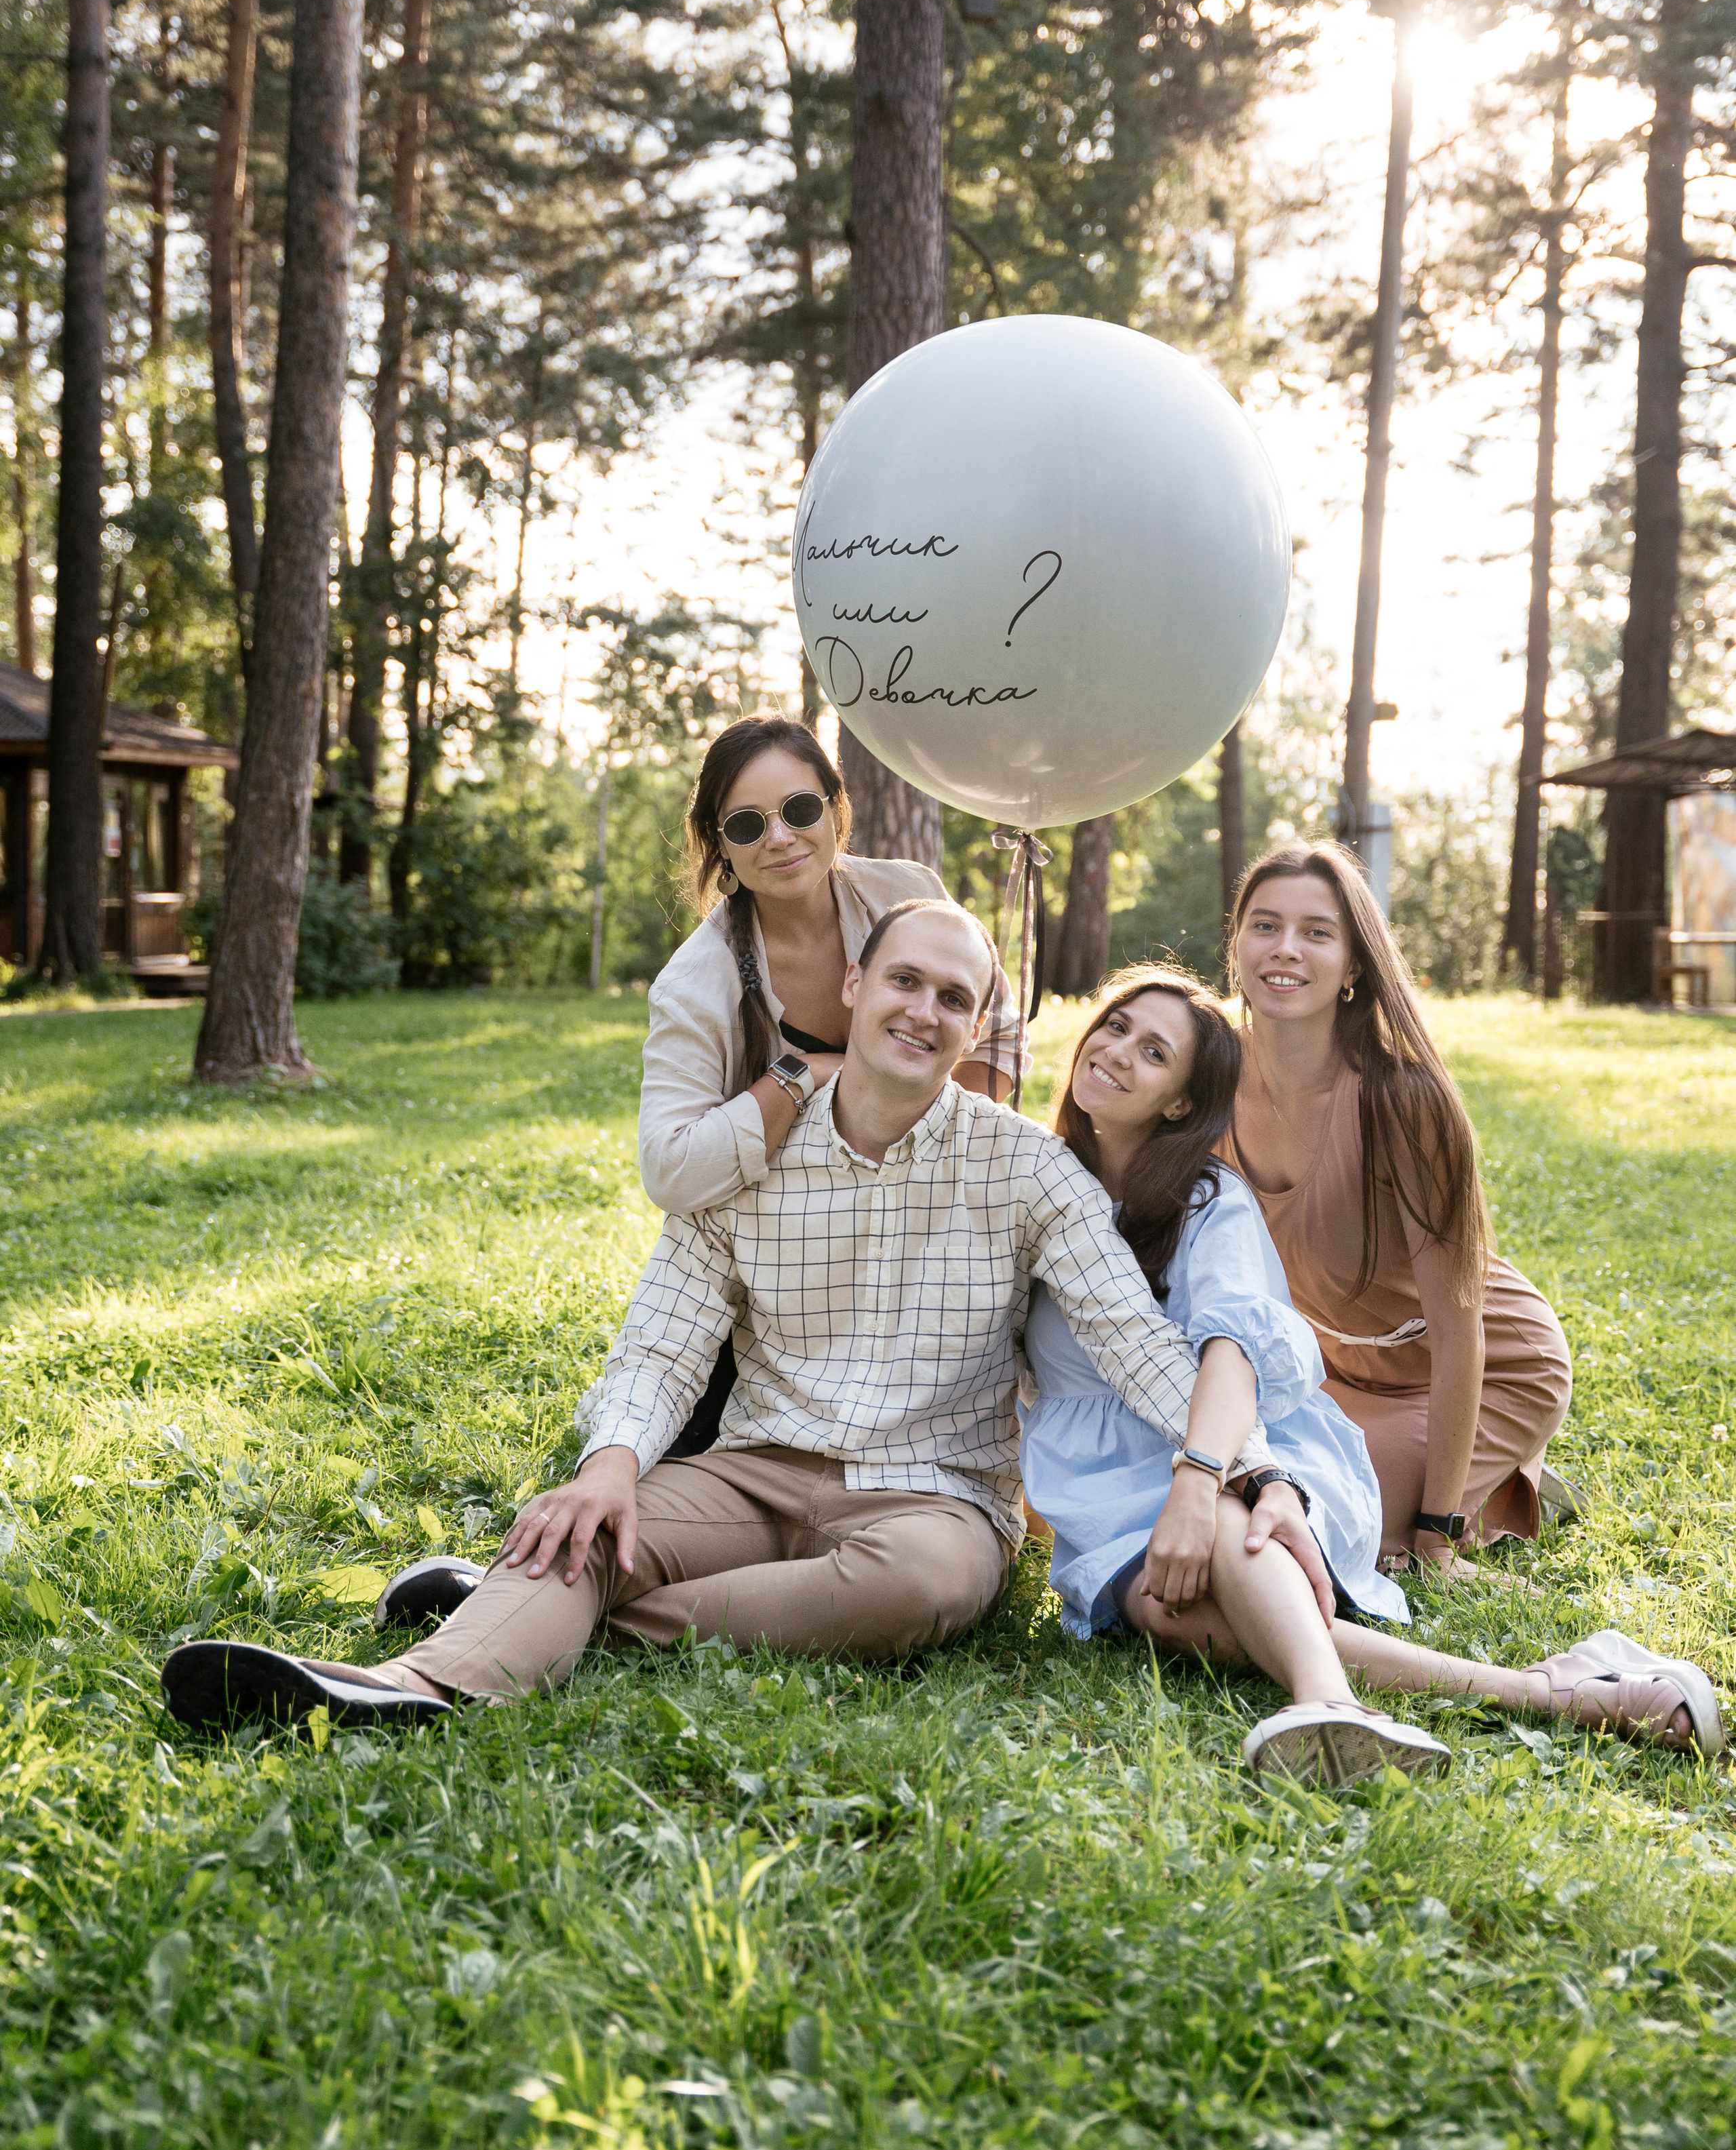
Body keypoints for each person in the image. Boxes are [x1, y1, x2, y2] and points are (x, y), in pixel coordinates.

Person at [160, 900, 1314, 1738]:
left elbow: (1137, 1343)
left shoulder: (1026, 1169)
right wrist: (613, 1465)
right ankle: (410, 1689)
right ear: (856, 989)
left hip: (935, 1501)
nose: (923, 1010)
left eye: (953, 999)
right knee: (587, 1524)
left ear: (977, 1032)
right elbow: (664, 1337)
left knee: (909, 1587)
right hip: (754, 1469)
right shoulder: (747, 1153)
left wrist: (1259, 1480)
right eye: (904, 981)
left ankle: (538, 1619)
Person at [1020, 966, 1722, 1769]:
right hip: (1106, 1482)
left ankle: (1328, 1703)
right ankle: (1557, 1688)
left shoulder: (1206, 1199)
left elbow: (1233, 1352)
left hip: (1225, 1446)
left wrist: (1199, 1478)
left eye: (1152, 1052)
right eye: (1112, 1027)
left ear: (1181, 1101)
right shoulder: (1033, 1180)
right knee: (1170, 1615)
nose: (1115, 1052)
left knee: (1227, 1537)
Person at [639, 711, 1021, 1462]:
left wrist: (937, 1142)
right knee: (704, 1446)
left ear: (835, 810)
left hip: (928, 1207)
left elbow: (996, 1025)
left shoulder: (906, 893)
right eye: (746, 825)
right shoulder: (694, 983)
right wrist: (803, 1073)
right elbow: (671, 1167)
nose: (779, 837)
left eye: (800, 810)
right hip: (789, 1243)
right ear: (719, 845)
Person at [1225, 840, 1571, 1570]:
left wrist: (1435, 1532)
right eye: (1265, 925)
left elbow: (1458, 1333)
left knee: (1319, 1536)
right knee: (1230, 1492)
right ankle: (1505, 1479)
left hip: (1486, 1365)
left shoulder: (1400, 1101)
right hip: (1336, 1371)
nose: (1284, 949)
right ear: (1237, 942)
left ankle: (1488, 1482)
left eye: (1316, 932)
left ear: (1353, 965)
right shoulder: (1213, 1070)